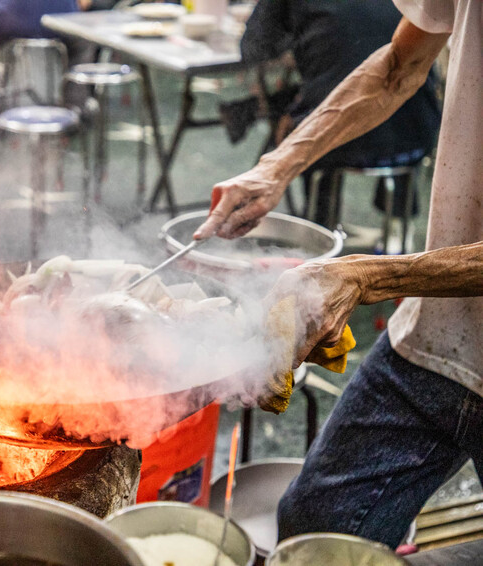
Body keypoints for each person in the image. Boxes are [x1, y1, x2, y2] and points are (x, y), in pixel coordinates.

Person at [194, 1, 483, 549]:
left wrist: (367, 278)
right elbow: (399, 65)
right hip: (441, 339)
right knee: (317, 527)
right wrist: (276, 165)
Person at [240, 0, 440, 231]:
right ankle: (396, 228)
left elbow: (255, 48)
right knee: (400, 110)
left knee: (305, 114)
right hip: (417, 132)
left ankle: (319, 227)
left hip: (351, 138)